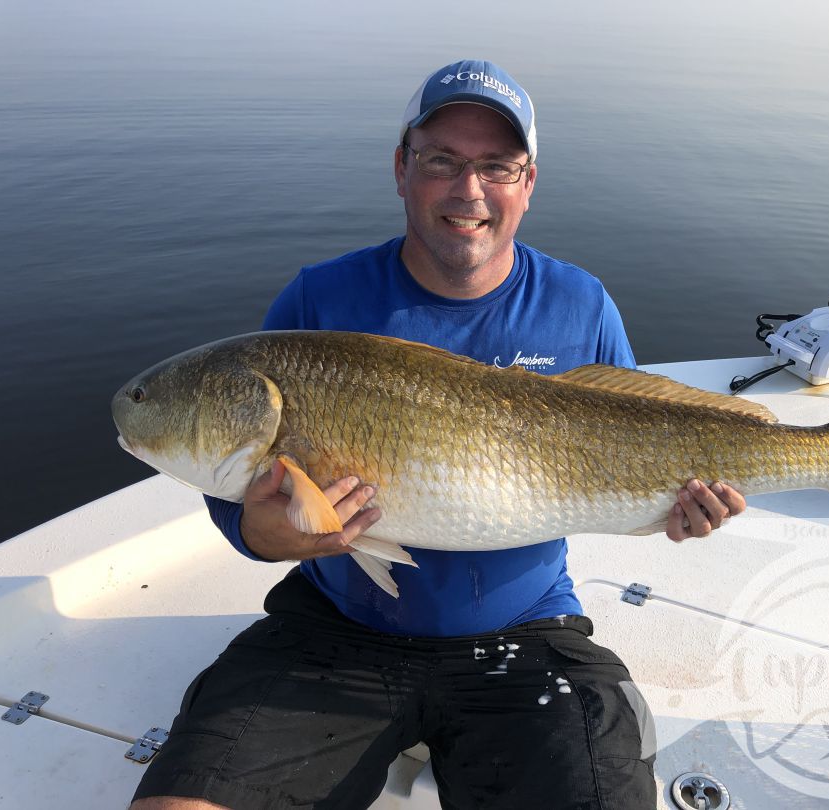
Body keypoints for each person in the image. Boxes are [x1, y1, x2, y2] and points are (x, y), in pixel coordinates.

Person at [132, 60, 746, 810]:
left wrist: (679, 510)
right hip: (337, 629)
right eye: (442, 161)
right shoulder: (319, 300)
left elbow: (636, 435)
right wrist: (263, 536)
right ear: (401, 168)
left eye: (497, 166)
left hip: (527, 633)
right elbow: (241, 497)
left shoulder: (581, 304)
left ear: (528, 183)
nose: (469, 190)